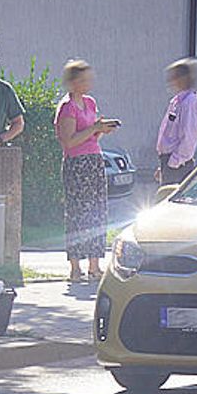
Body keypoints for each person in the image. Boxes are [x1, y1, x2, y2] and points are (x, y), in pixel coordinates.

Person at [54, 60, 118, 283]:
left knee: (97, 211)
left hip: (94, 159)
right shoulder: (67, 107)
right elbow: (69, 141)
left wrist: (101, 130)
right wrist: (93, 128)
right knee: (77, 212)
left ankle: (94, 265)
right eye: (82, 80)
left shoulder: (90, 103)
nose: (87, 84)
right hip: (76, 163)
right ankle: (75, 267)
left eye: (88, 79)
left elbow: (91, 136)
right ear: (72, 82)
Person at [156, 58, 197, 185]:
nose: (171, 81)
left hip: (178, 166)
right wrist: (164, 167)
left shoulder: (190, 102)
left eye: (175, 77)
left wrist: (174, 162)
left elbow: (189, 137)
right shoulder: (176, 101)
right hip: (169, 162)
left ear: (184, 78)